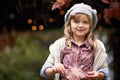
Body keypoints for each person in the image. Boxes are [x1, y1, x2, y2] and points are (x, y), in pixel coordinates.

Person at [40, 3, 109, 80]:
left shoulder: (97, 46)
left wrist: (99, 75)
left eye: (85, 22)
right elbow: (44, 70)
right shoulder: (60, 44)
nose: (80, 25)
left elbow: (104, 71)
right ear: (69, 24)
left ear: (90, 26)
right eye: (76, 22)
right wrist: (53, 69)